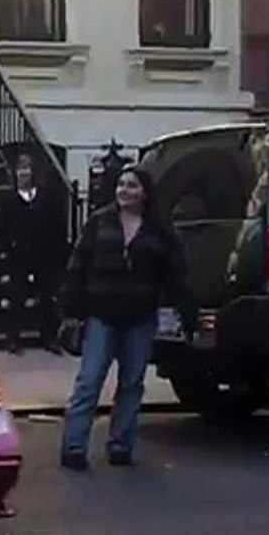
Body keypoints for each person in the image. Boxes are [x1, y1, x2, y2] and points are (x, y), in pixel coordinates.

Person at [58, 166, 196, 471]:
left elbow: (176, 275)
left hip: (139, 316)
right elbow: (78, 265)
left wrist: (187, 314)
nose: (124, 190)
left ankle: (121, 444)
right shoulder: (99, 222)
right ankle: (74, 447)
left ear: (144, 192)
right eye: (121, 185)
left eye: (131, 186)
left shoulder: (159, 230)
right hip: (102, 313)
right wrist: (70, 310)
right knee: (89, 380)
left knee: (132, 382)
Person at [0, 153, 65, 355]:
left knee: (46, 297)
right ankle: (13, 338)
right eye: (21, 169)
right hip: (19, 255)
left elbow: (56, 224)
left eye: (27, 169)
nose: (24, 173)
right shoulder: (9, 199)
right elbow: (3, 227)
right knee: (17, 296)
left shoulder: (45, 197)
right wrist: (10, 245)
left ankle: (48, 337)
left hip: (43, 253)